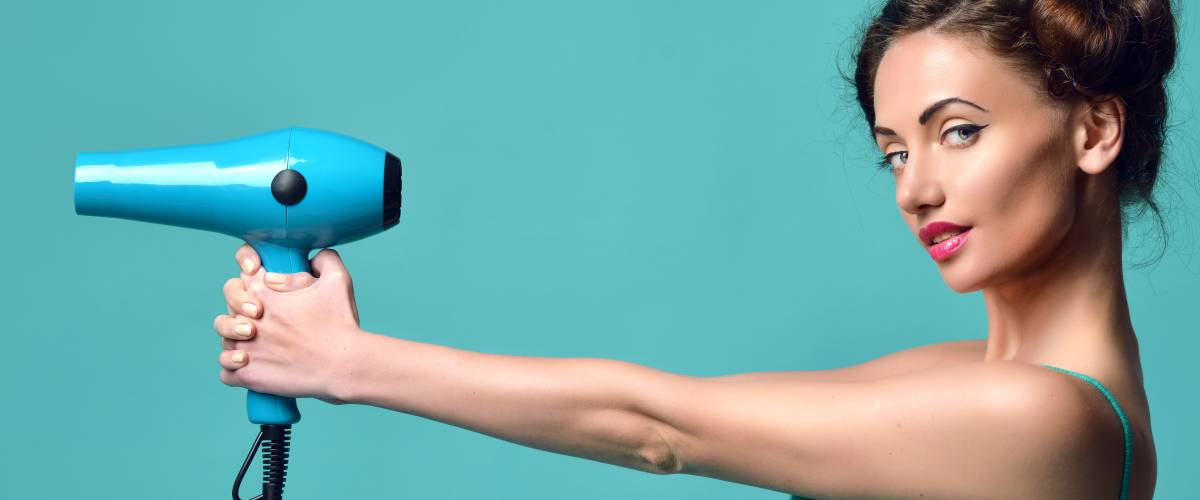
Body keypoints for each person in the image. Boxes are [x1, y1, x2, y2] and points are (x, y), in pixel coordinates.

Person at [211, 0, 1177, 497]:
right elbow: (679, 408)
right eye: (893, 150)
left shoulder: (1047, 417)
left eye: (959, 130)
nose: (914, 188)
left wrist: (352, 363)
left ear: (1094, 130)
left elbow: (661, 431)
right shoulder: (964, 375)